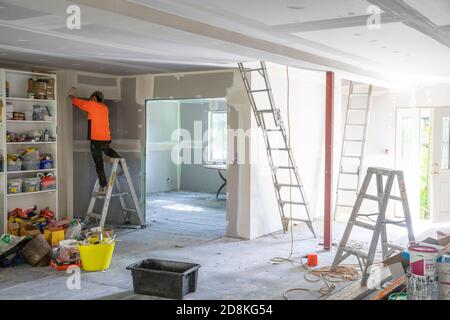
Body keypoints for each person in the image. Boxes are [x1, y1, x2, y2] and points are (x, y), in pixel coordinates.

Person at [68, 88, 122, 194]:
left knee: (99, 164)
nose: (90, 100)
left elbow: (78, 102)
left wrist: (71, 96)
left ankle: (104, 186)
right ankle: (121, 163)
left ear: (94, 98)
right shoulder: (104, 108)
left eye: (91, 99)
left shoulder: (92, 105)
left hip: (96, 139)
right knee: (108, 150)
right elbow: (89, 114)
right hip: (105, 139)